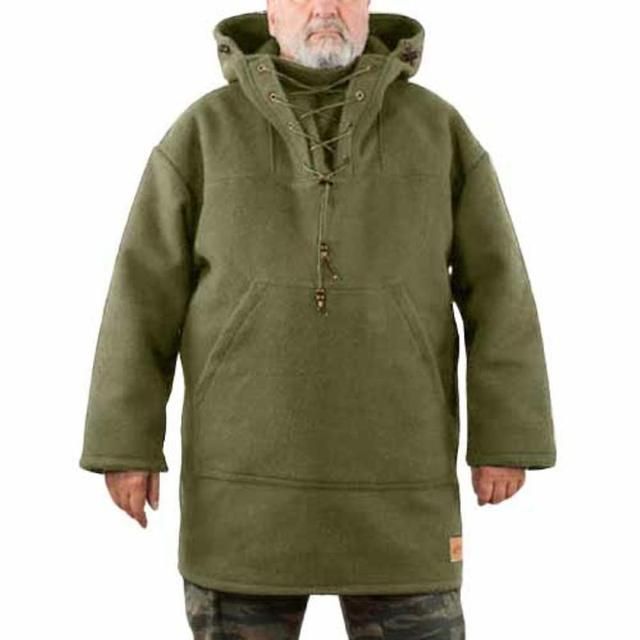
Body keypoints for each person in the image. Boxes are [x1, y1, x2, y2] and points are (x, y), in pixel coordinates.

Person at [79, 1, 557, 638]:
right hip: (242, 501)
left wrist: (506, 438)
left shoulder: (438, 130)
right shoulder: (202, 132)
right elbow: (142, 296)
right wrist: (126, 445)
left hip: (402, 489)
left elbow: (499, 291)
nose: (326, 7)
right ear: (271, 12)